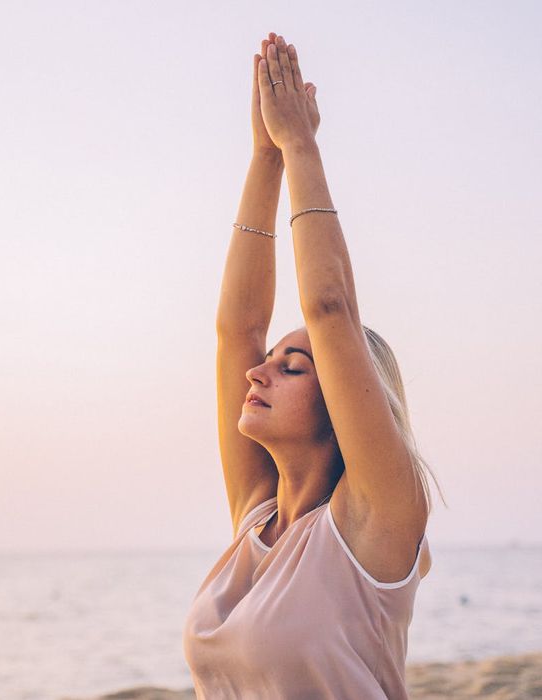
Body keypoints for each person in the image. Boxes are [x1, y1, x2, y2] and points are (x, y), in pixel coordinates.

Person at [182, 31, 447, 699]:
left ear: (344, 404)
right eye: (271, 361)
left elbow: (330, 310)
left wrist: (301, 146)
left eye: (292, 367)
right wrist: (263, 157)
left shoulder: (377, 521)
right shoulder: (257, 517)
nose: (257, 373)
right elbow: (235, 332)